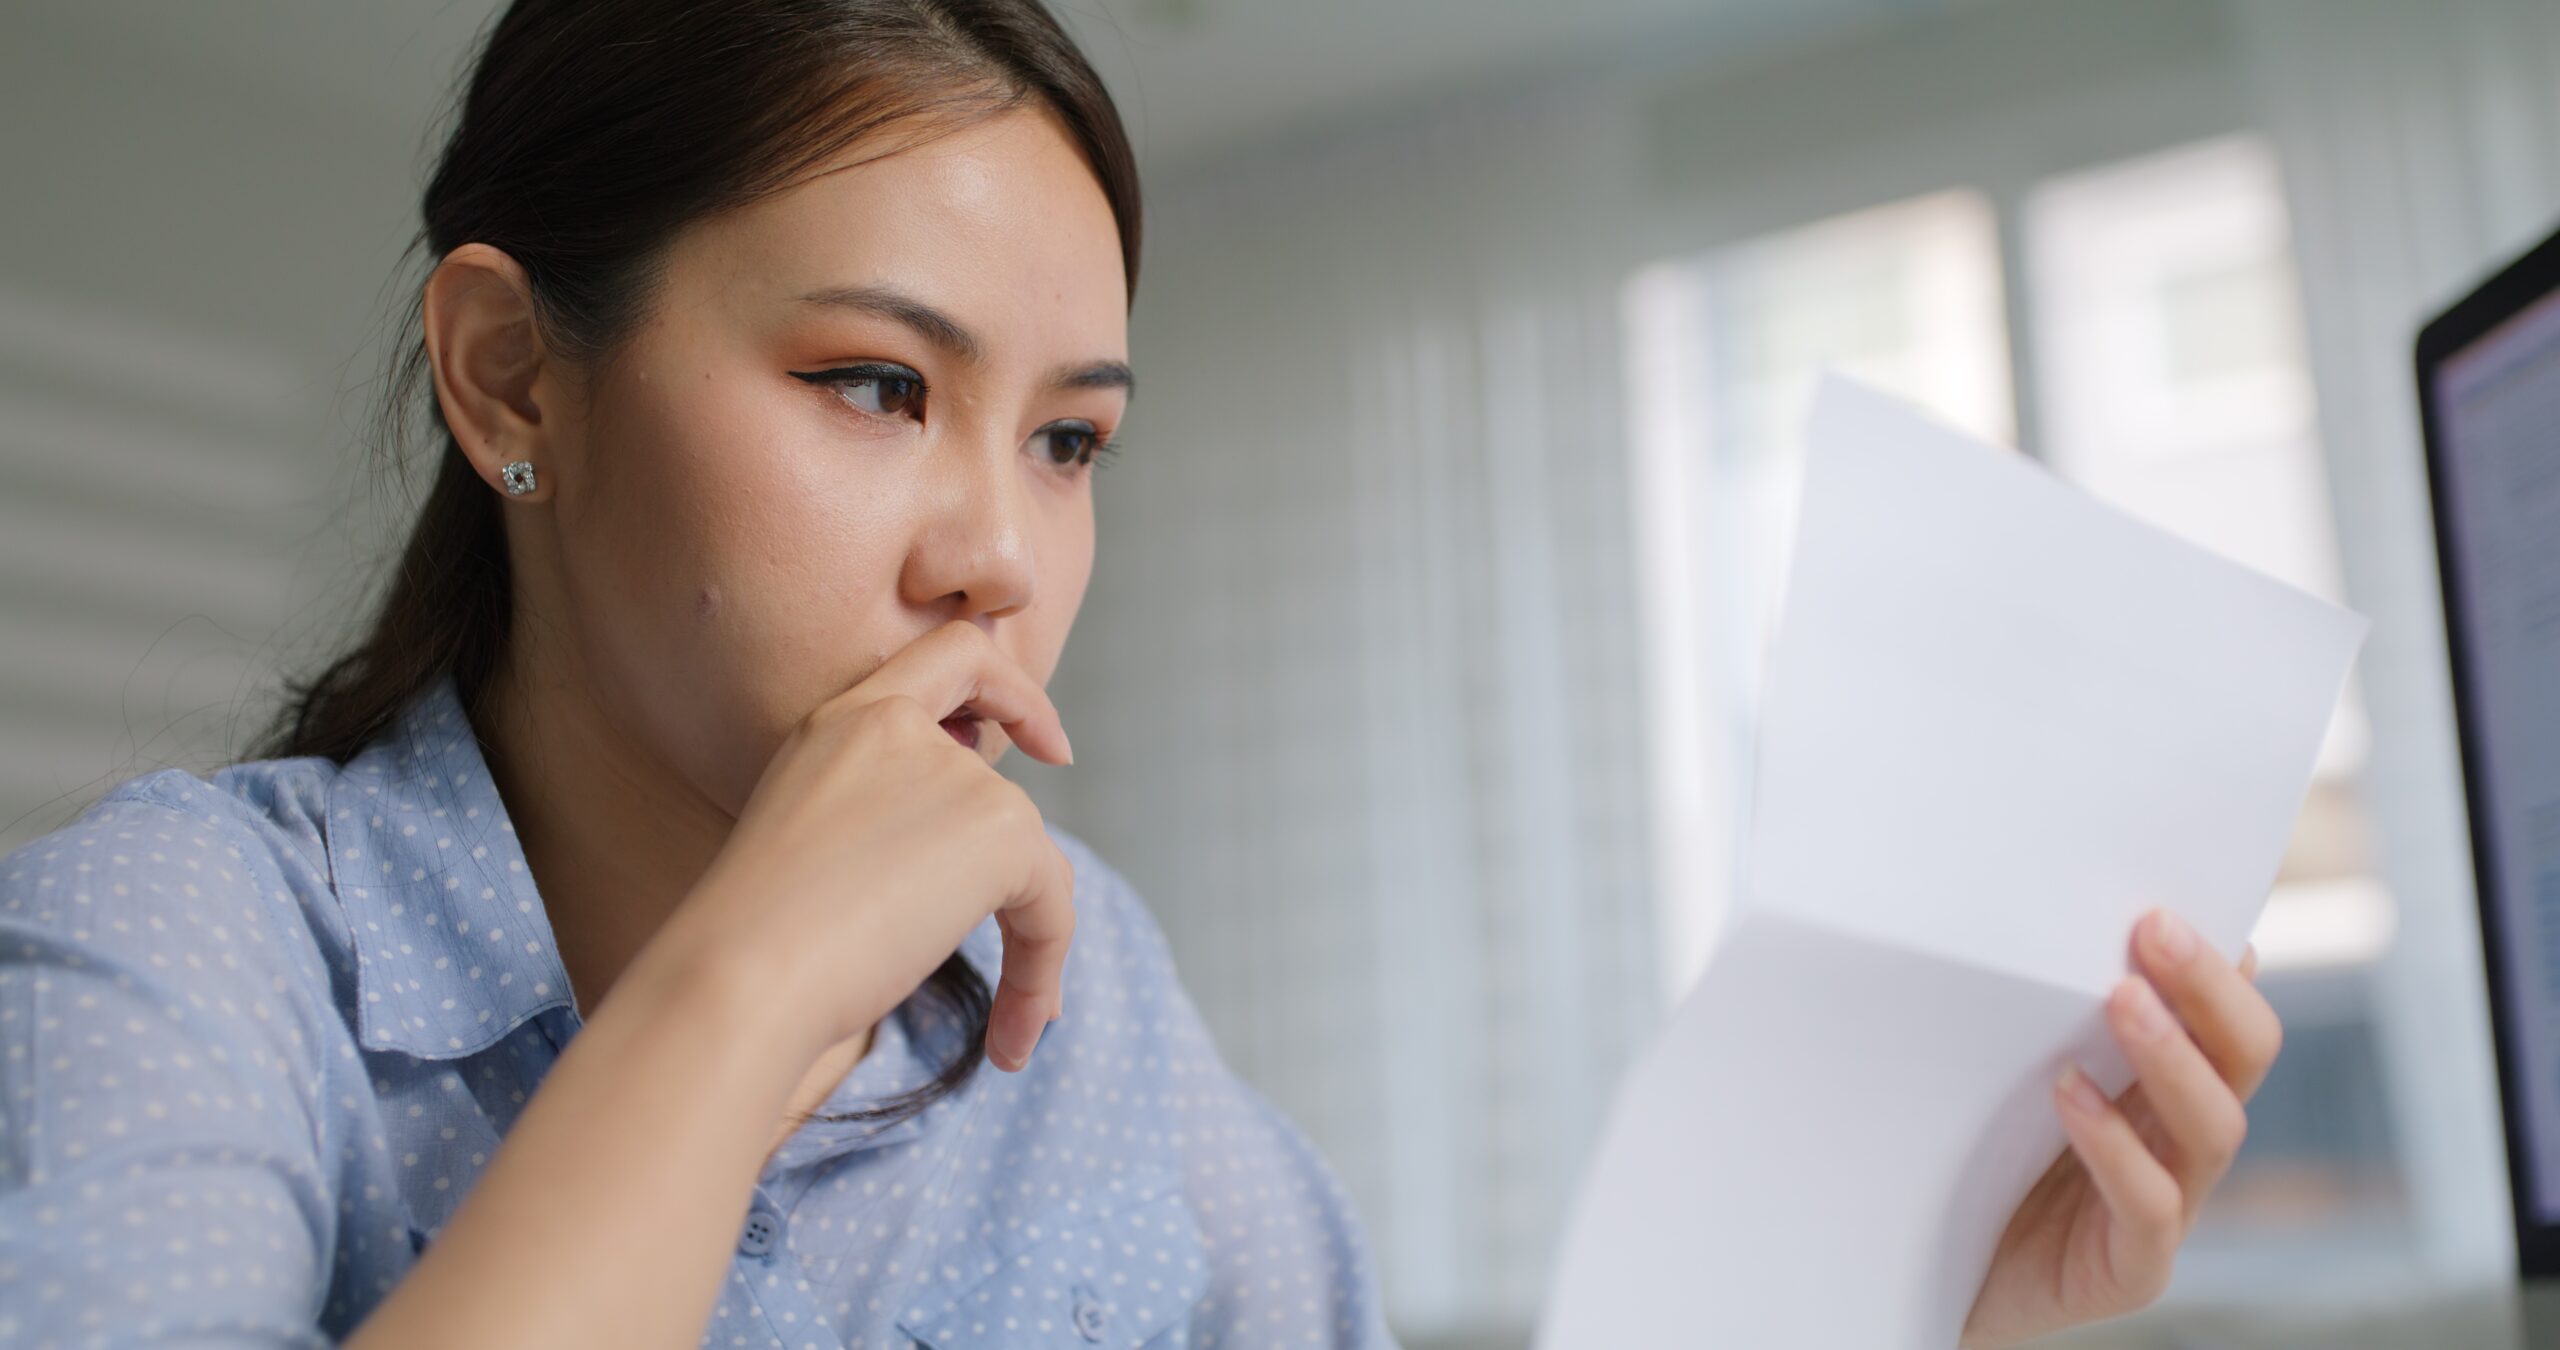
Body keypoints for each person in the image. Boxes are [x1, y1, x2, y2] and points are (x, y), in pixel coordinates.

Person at [0, 2, 2283, 1346]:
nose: (998, 552)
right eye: (873, 388)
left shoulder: (1096, 1024)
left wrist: (1924, 1310)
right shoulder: (183, 941)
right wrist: (738, 985)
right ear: (515, 377)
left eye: (1069, 438)